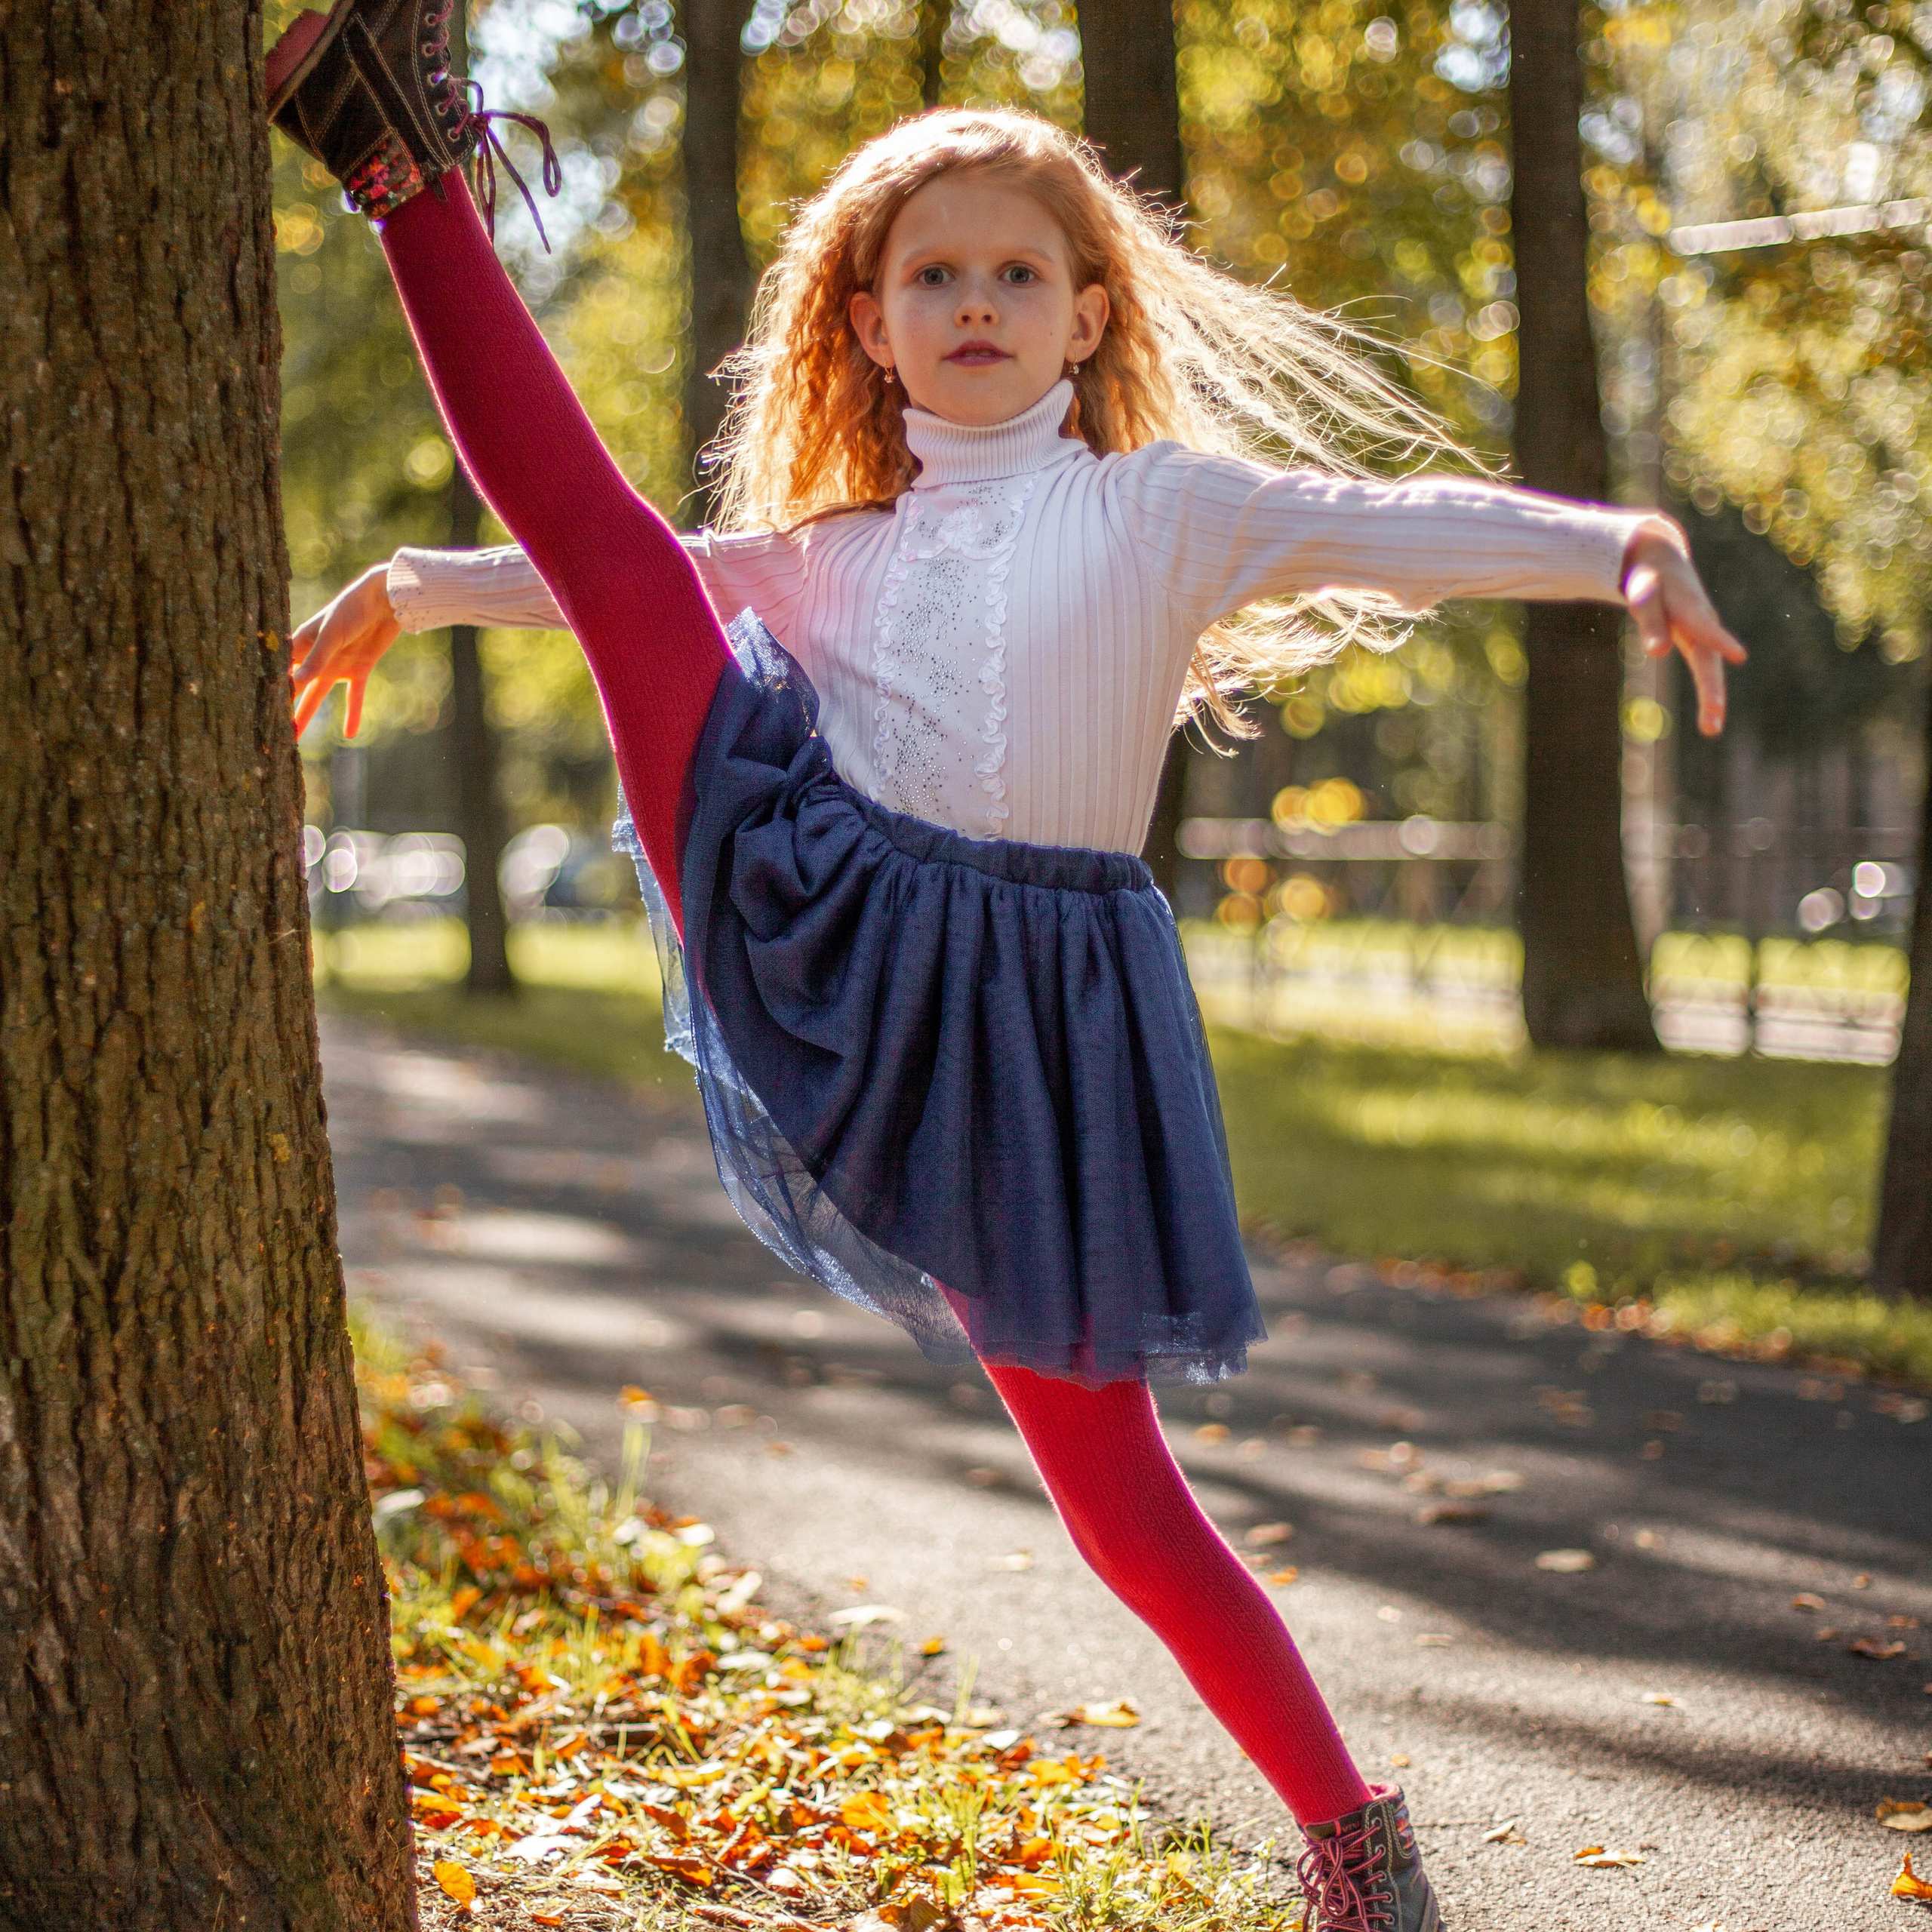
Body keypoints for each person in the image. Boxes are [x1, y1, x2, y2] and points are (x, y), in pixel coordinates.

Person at [269, 8, 1744, 1924]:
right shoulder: (834, 547)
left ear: (1085, 317)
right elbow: (626, 571)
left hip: (1038, 1030)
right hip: (825, 913)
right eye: (931, 275)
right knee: (632, 572)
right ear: (867, 327)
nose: (975, 301)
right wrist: (417, 578)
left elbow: (1391, 527)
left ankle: (1354, 1839)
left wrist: (1613, 543)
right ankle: (397, 158)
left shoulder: (1159, 511)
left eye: (1015, 273)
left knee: (1115, 1493)